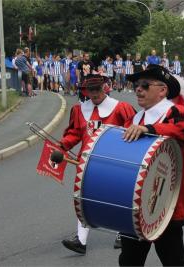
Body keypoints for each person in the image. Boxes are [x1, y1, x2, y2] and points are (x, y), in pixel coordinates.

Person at [120, 64, 184, 266]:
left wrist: (150, 129)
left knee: (172, 262)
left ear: (162, 90)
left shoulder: (176, 112)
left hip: (165, 205)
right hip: (136, 205)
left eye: (145, 85)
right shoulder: (135, 118)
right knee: (129, 261)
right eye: (137, 85)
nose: (138, 89)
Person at [59, 75, 136, 255]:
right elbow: (74, 134)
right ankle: (80, 240)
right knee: (83, 199)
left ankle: (122, 234)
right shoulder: (79, 110)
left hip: (114, 162)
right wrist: (62, 146)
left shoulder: (121, 108)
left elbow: (132, 131)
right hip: (87, 164)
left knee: (118, 198)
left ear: (105, 88)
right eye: (90, 90)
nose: (94, 94)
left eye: (97, 90)